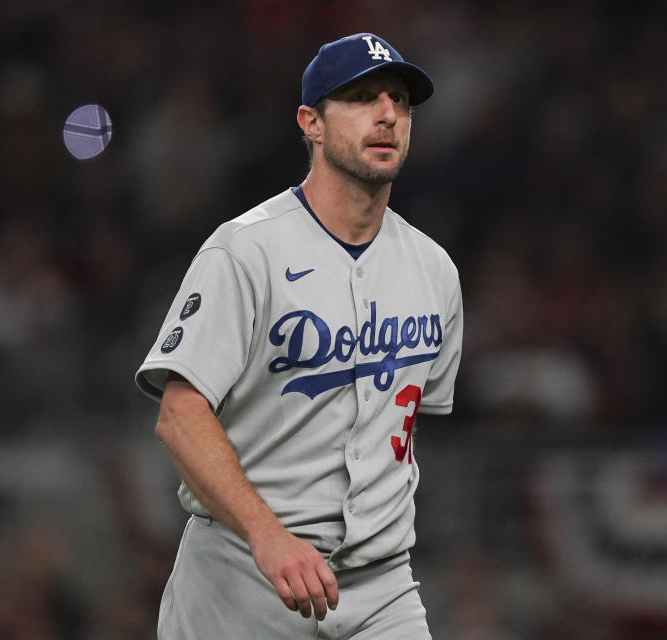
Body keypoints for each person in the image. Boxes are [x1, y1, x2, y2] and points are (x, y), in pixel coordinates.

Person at [135, 32, 463, 638]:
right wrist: (268, 534)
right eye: (362, 97)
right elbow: (179, 415)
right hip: (242, 575)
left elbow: (410, 429)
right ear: (310, 122)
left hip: (383, 584)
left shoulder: (435, 270)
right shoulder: (245, 250)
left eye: (399, 99)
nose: (388, 114)